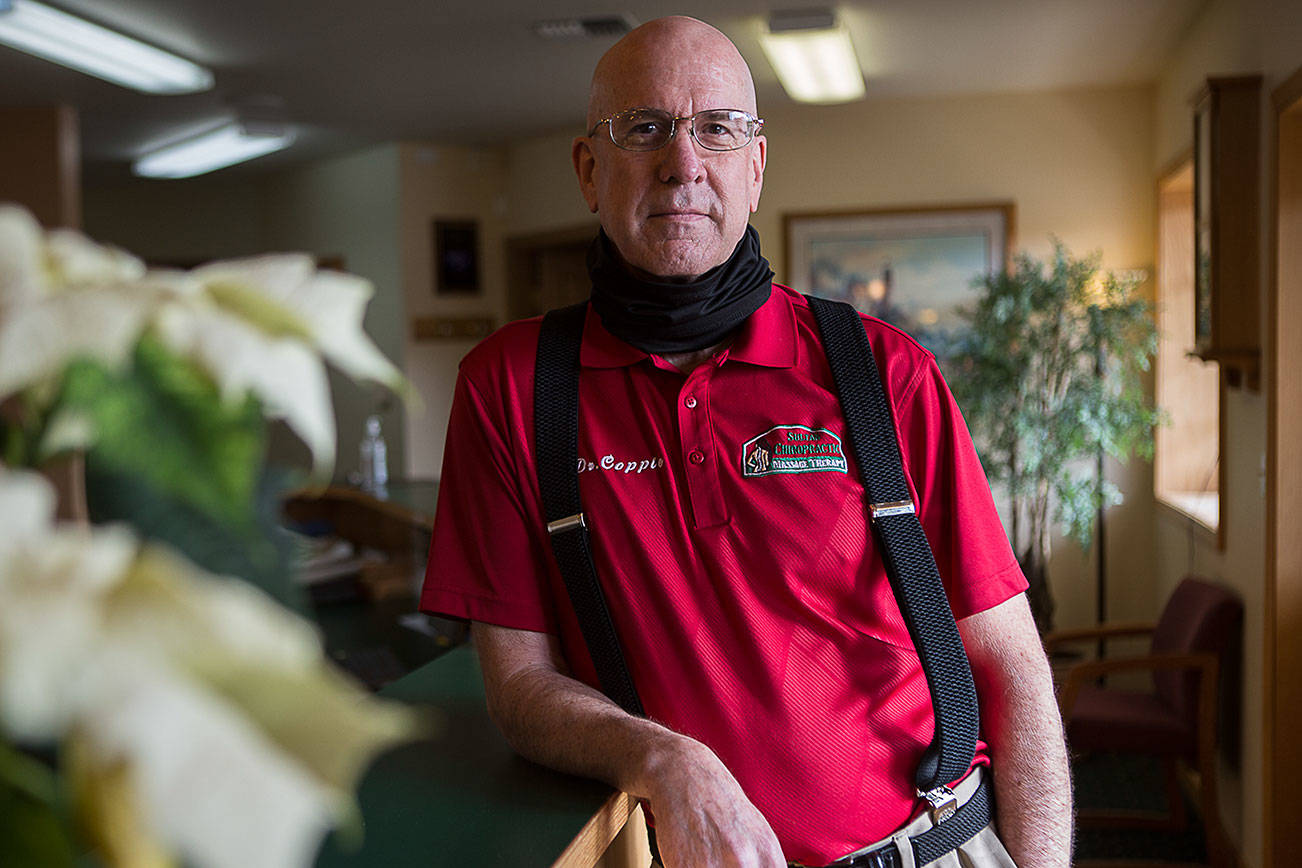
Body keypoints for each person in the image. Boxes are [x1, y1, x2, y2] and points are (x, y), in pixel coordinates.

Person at [421, 16, 1072, 868]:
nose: (682, 163)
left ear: (755, 167)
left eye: (717, 129)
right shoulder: (508, 388)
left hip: (927, 847)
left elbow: (1012, 670)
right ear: (590, 170)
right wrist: (663, 759)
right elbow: (517, 685)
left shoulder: (884, 372)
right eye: (644, 128)